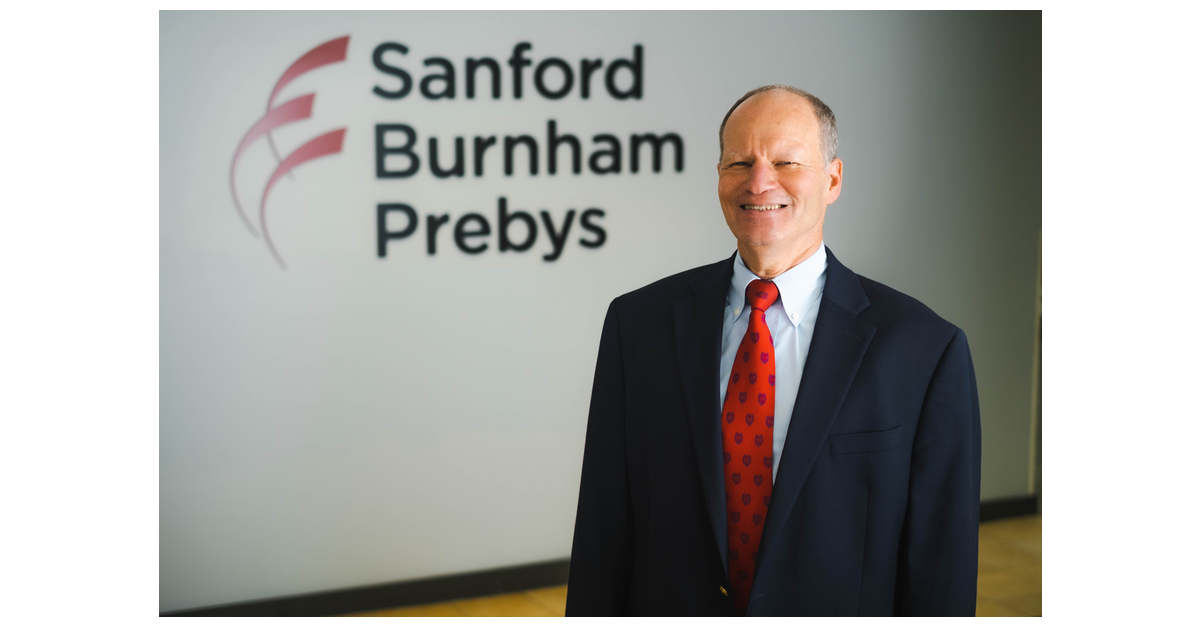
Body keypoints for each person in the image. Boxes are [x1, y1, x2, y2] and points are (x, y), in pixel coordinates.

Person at [565, 85, 981, 617]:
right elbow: (603, 527)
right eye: (739, 162)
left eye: (786, 162)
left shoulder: (924, 348)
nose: (759, 181)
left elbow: (941, 563)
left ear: (832, 179)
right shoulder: (638, 324)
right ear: (719, 176)